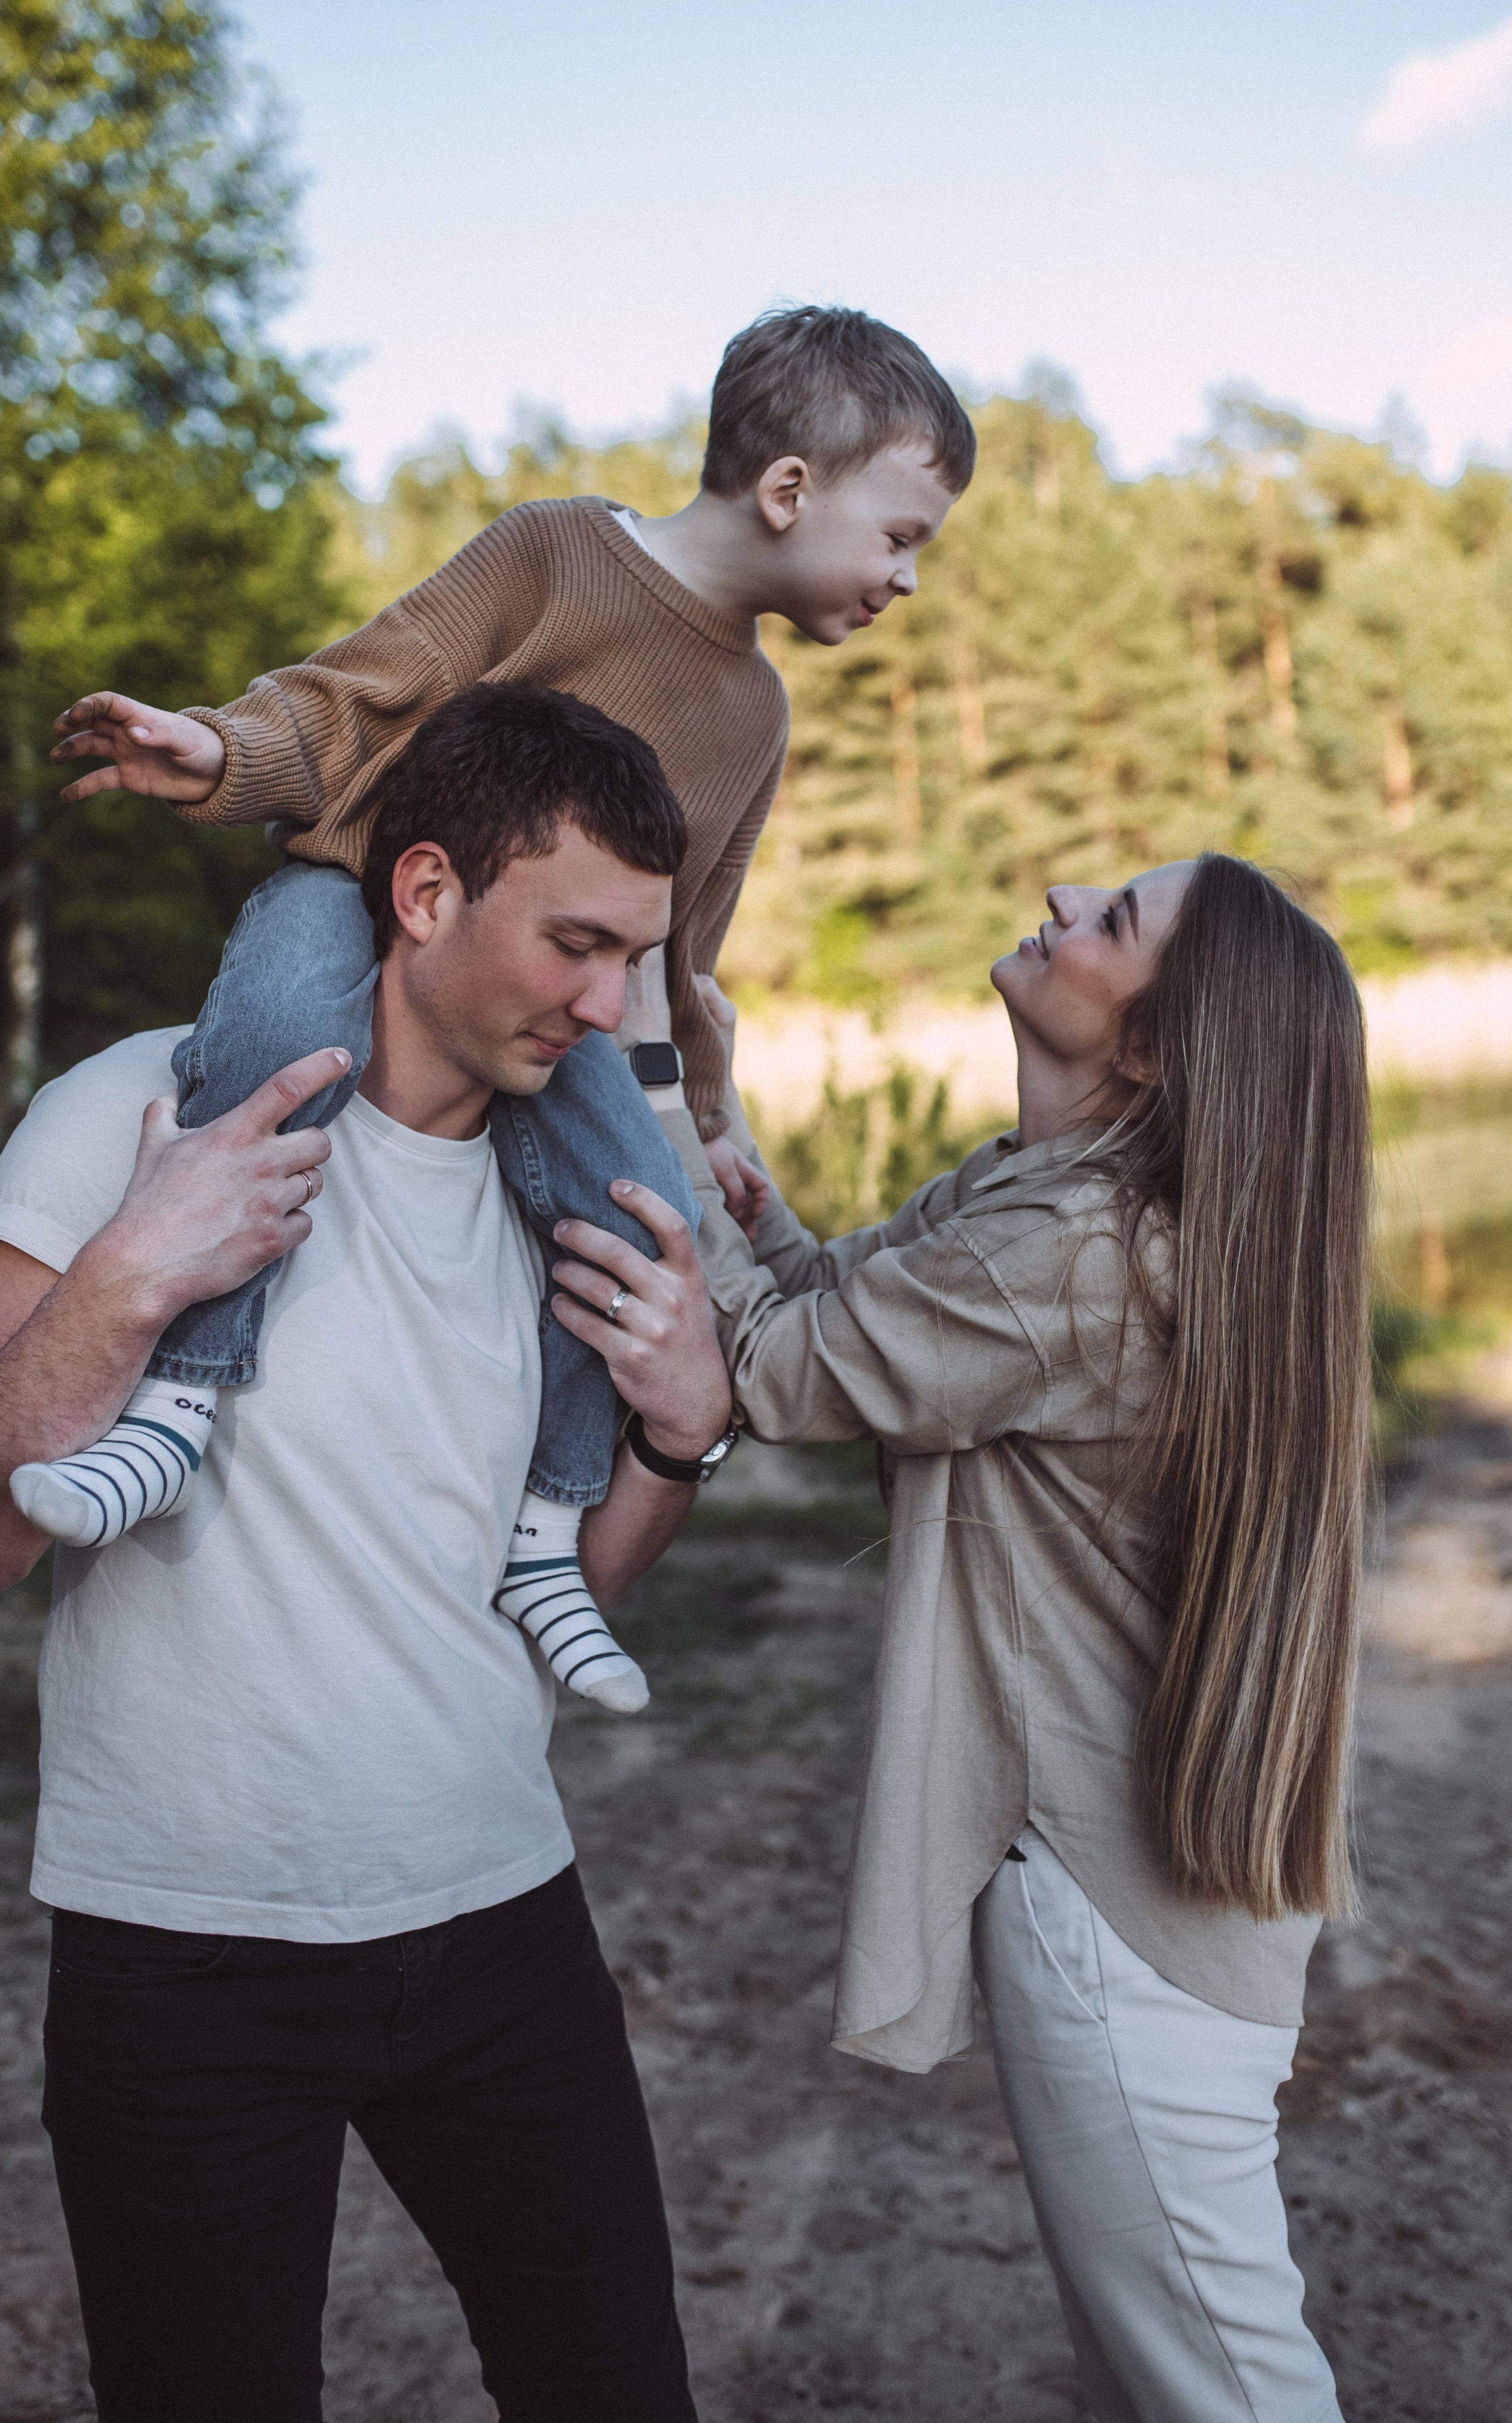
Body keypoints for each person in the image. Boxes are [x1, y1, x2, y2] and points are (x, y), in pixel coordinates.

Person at [0, 684, 739, 2423]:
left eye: (633, 960)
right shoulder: (140, 1114)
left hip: (505, 1928)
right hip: (181, 1965)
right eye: (573, 943)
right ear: (422, 894)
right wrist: (131, 1277)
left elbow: (573, 1586)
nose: (604, 1007)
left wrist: (678, 1429)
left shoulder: (567, 1196)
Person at [14, 307, 976, 1678]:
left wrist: (708, 1118)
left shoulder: (753, 714)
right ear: (786, 492)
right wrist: (222, 752)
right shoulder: (555, 554)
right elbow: (360, 694)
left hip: (555, 1010)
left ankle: (546, 1524)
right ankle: (176, 1406)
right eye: (901, 538)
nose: (905, 579)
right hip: (349, 890)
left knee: (632, 1224)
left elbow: (683, 943)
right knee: (283, 1040)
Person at [556, 854, 1368, 2423]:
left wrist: (645, 1059)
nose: (1063, 892)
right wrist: (721, 1133)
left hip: (1111, 1919)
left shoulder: (1068, 1250)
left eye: (1112, 919)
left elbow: (757, 1367)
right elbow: (823, 1311)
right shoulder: (1057, 1197)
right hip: (1145, 1897)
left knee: (1217, 2386)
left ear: (1147, 1048)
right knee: (1169, 2371)